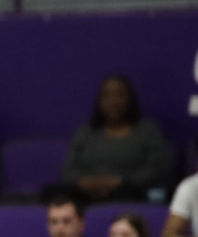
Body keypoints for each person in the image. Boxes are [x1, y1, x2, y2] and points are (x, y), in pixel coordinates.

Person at [61, 74, 174, 203]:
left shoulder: (148, 131)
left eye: (119, 95)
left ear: (130, 100)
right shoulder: (85, 132)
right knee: (54, 193)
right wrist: (86, 182)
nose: (113, 101)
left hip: (130, 191)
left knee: (149, 193)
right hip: (87, 192)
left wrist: (120, 182)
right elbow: (68, 169)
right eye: (106, 96)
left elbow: (157, 169)